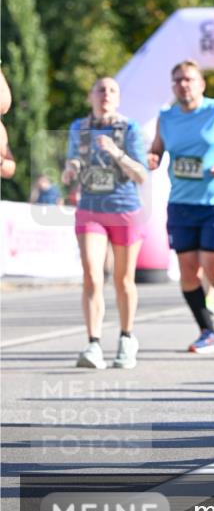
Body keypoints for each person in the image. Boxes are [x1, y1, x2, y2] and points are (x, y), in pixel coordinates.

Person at [148, 60, 214, 353]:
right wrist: (152, 158)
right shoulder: (166, 117)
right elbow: (157, 148)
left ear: (202, 84)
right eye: (177, 80)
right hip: (181, 201)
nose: (183, 84)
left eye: (189, 79)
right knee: (188, 271)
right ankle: (207, 331)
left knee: (213, 266)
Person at [62, 77, 147, 370]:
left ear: (118, 98)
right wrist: (70, 169)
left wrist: (115, 151)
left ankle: (126, 338)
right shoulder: (78, 128)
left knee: (124, 280)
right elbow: (74, 158)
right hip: (90, 209)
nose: (106, 95)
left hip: (125, 210)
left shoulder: (130, 128)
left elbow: (141, 174)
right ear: (91, 96)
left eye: (112, 90)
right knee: (92, 275)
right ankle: (94, 344)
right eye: (100, 89)